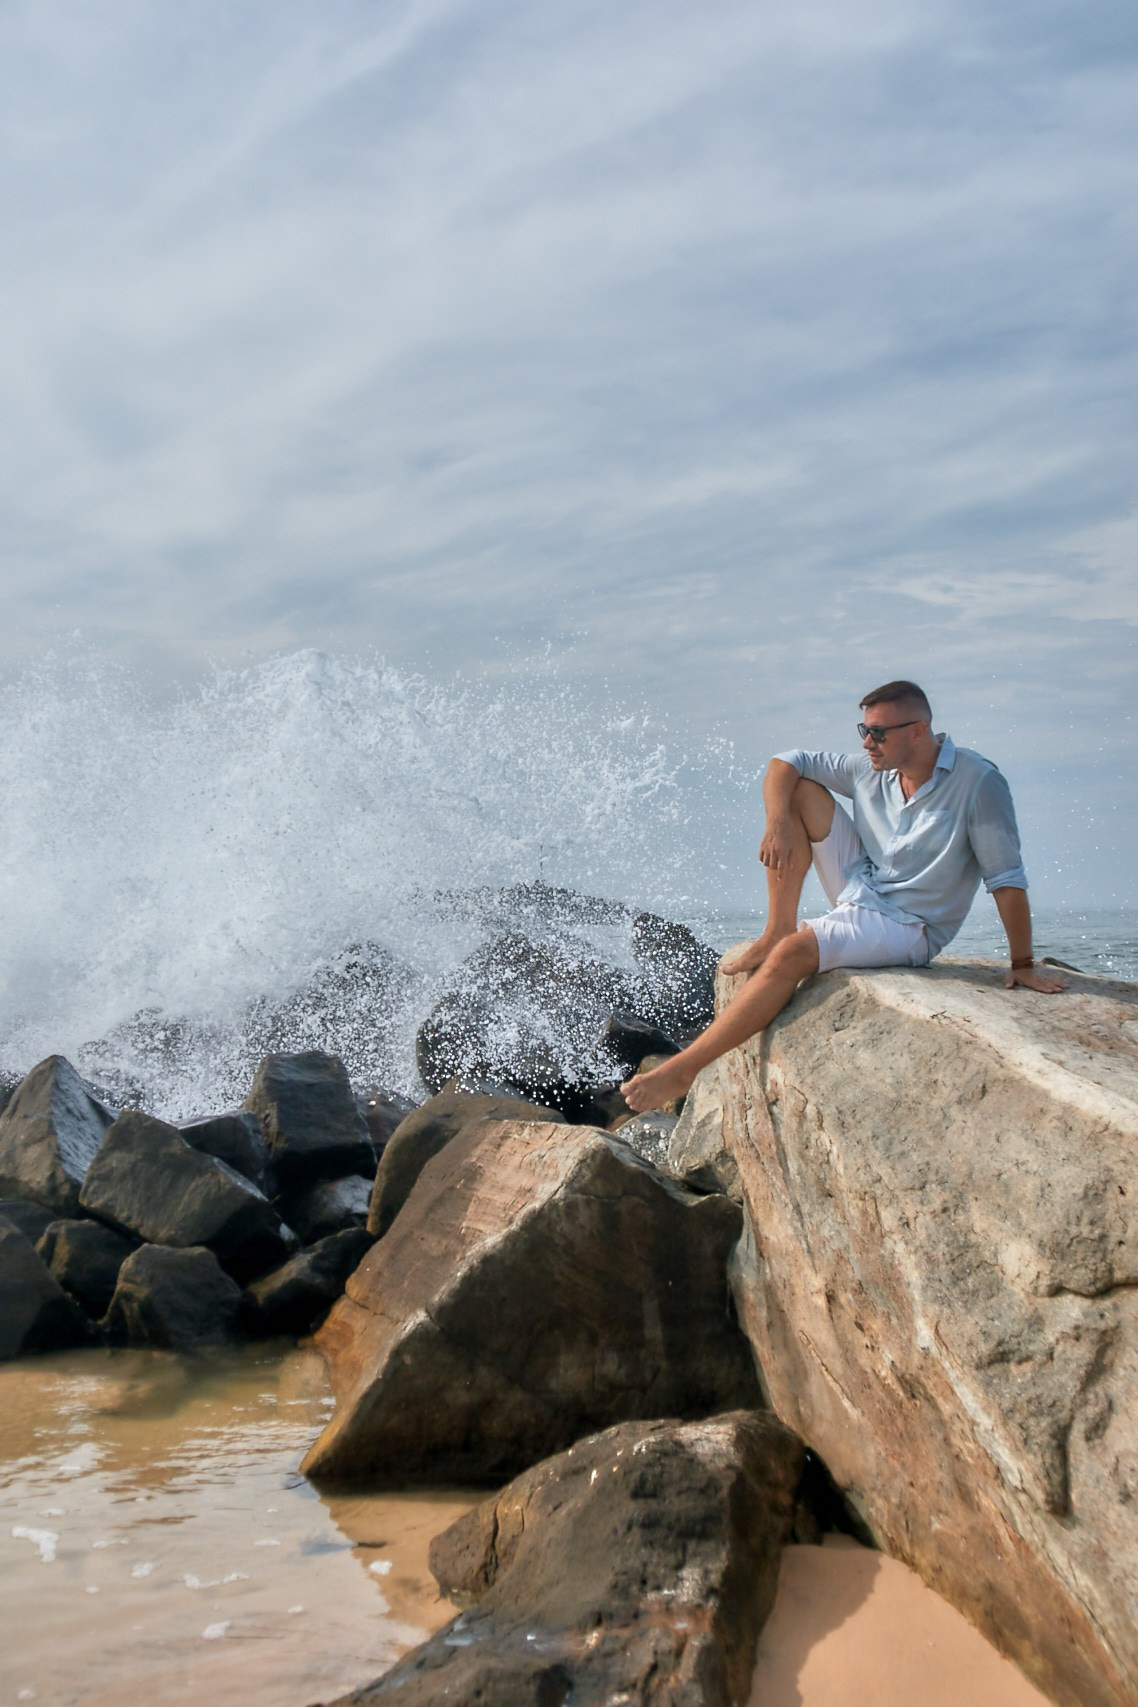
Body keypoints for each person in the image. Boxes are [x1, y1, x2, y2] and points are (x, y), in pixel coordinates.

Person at [621, 680, 1067, 1114]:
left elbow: (1006, 878)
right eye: (864, 731)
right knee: (800, 787)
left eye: (878, 733)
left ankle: (685, 1068)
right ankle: (776, 928)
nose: (868, 743)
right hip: (861, 885)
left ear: (917, 731)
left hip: (910, 924)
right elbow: (786, 760)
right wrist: (777, 820)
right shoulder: (871, 771)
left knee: (795, 954)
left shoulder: (978, 782)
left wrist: (1022, 964)